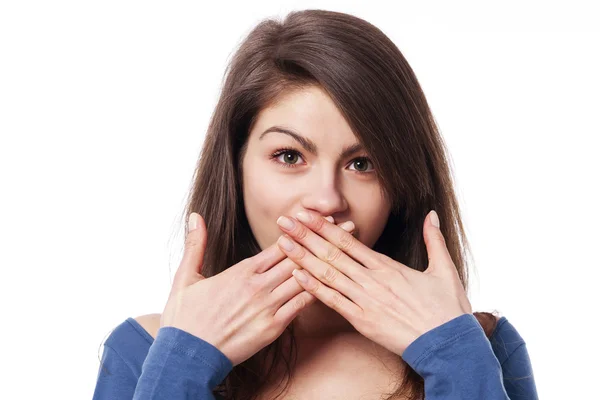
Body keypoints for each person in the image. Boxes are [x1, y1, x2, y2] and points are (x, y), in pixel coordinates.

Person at [93, 9, 538, 400]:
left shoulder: (481, 346)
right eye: (289, 157)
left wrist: (454, 356)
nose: (327, 200)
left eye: (363, 163)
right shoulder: (144, 351)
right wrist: (182, 362)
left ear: (402, 185)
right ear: (236, 169)